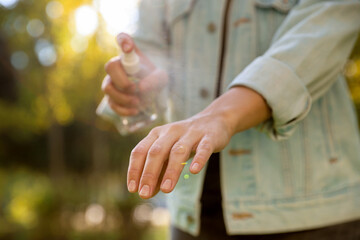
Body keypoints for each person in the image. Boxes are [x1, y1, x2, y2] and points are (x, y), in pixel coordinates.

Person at [100, 0, 360, 239]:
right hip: (192, 217)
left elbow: (325, 28)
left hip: (312, 212)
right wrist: (135, 86)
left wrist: (221, 116)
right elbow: (152, 56)